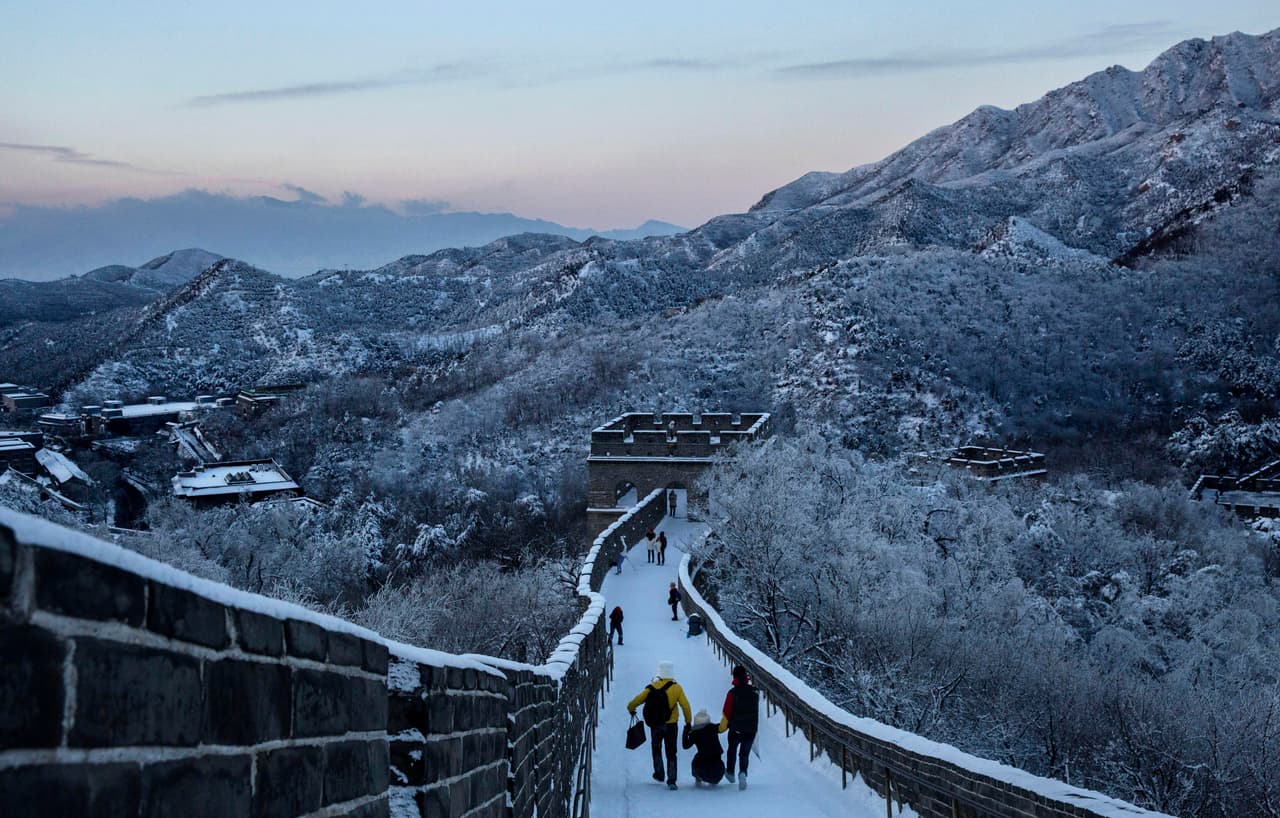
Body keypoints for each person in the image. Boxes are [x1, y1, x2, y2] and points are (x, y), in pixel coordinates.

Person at [628, 660, 692, 790]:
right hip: (671, 725)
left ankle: (659, 773)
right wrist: (688, 722)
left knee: (656, 748)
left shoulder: (652, 687)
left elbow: (635, 701)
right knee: (671, 752)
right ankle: (672, 780)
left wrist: (631, 708)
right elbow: (685, 706)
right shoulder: (677, 688)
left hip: (656, 725)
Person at [718, 665, 760, 790]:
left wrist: (721, 728)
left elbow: (726, 713)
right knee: (744, 754)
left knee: (732, 750)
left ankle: (730, 772)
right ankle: (742, 773)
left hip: (736, 728)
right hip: (751, 729)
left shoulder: (732, 693)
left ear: (734, 677)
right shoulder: (755, 692)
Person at [682, 709, 726, 786]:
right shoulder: (713, 728)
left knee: (697, 758)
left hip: (703, 771)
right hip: (718, 771)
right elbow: (723, 727)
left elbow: (685, 746)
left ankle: (698, 780)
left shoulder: (695, 734)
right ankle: (713, 782)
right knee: (714, 762)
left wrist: (685, 732)